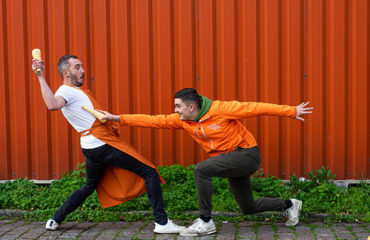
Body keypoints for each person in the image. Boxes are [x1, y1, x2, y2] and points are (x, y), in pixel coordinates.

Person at [99, 88, 313, 237]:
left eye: (178, 106)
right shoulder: (184, 120)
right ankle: (290, 204)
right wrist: (117, 118)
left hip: (246, 154)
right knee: (248, 207)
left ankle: (206, 221)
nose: (175, 111)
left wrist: (291, 111)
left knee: (201, 169)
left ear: (192, 106)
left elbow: (254, 107)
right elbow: (155, 120)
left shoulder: (220, 109)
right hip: (228, 160)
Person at [31, 55, 185, 234]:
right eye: (77, 67)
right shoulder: (65, 91)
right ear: (66, 73)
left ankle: (55, 219)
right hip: (101, 143)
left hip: (91, 147)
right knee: (149, 172)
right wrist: (40, 77)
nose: (83, 71)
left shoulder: (75, 91)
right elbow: (52, 105)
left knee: (89, 186)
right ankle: (162, 222)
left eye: (82, 67)